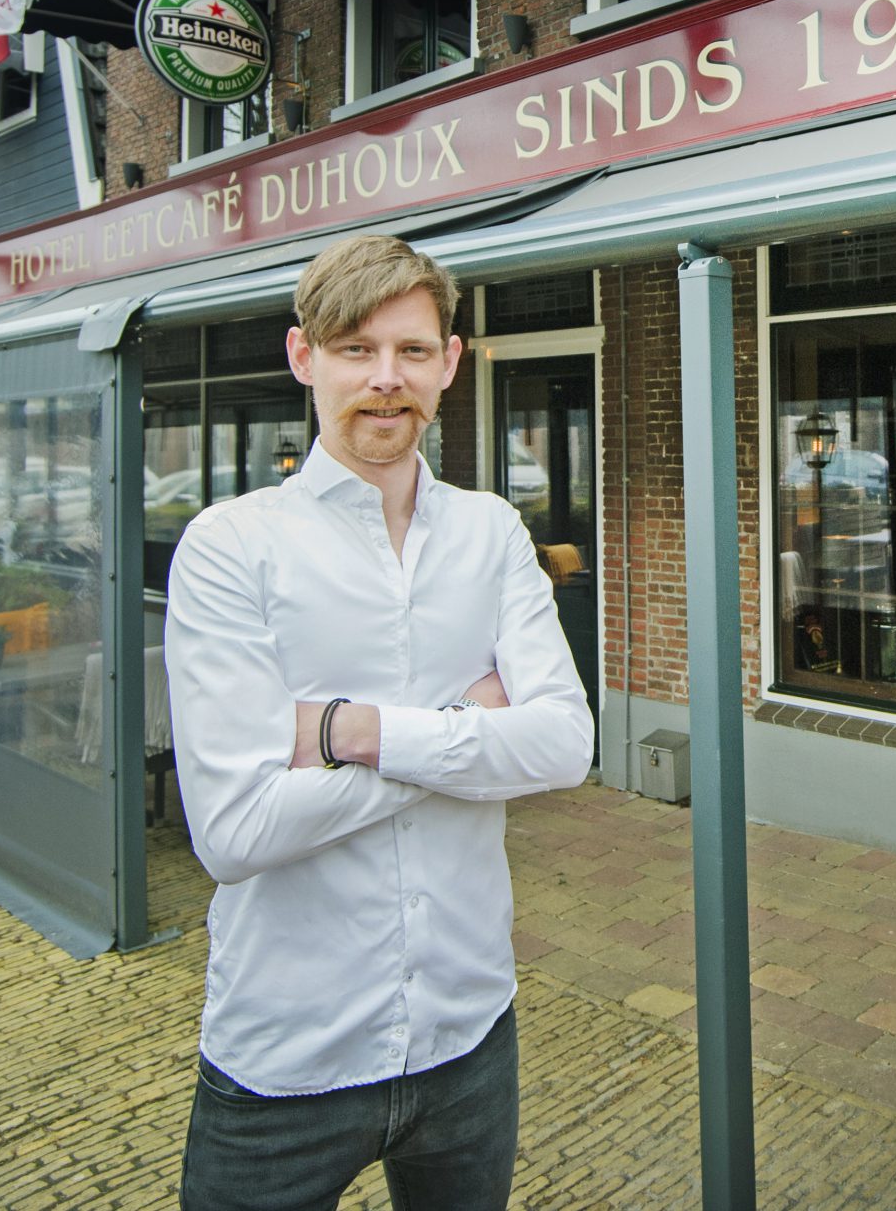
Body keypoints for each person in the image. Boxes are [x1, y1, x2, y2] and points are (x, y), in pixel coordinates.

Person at [165, 234, 594, 1211]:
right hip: (287, 1056)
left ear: (450, 363)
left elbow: (565, 745)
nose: (385, 378)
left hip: (468, 1033)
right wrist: (468, 730)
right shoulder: (233, 548)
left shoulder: (490, 532)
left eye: (411, 350)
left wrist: (350, 731)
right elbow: (234, 833)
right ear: (303, 356)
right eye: (356, 349)